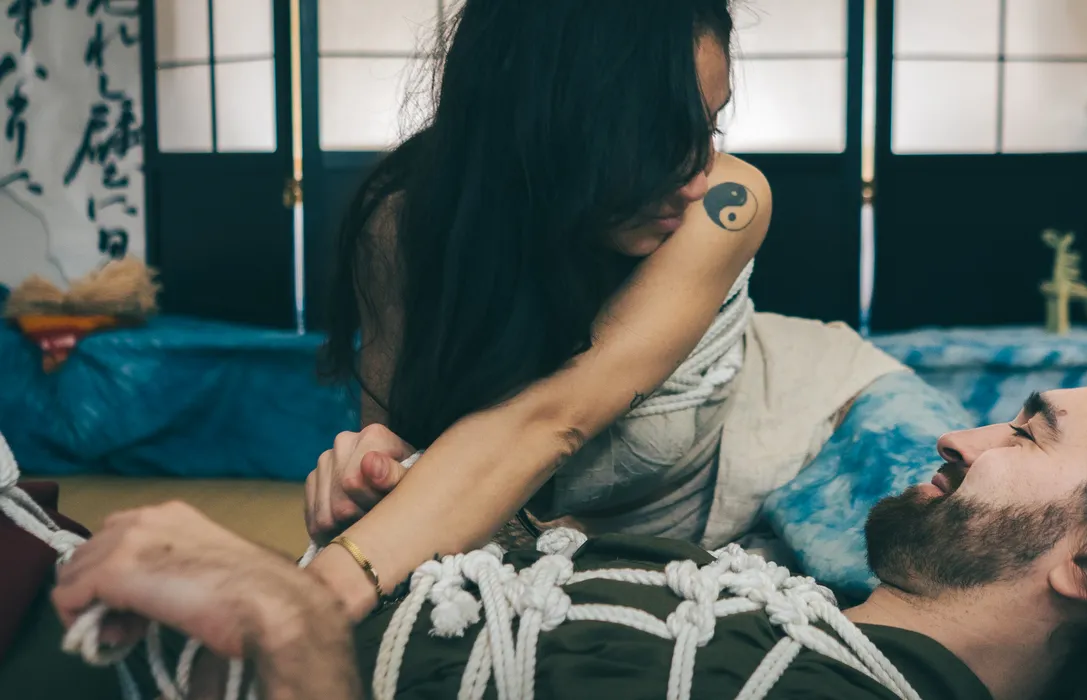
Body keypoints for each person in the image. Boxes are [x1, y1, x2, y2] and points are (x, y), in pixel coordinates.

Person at [40, 361, 1087, 700]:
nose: (960, 435)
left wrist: (289, 624)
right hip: (89, 600)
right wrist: (422, 544)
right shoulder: (801, 617)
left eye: (1028, 436)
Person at [304, 0, 908, 620]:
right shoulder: (404, 226)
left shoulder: (730, 199)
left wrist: (321, 597)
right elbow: (401, 454)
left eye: (710, 126)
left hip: (823, 411)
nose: (698, 173)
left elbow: (553, 417)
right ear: (541, 119)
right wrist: (367, 471)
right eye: (656, 136)